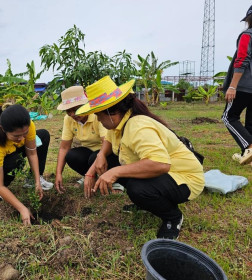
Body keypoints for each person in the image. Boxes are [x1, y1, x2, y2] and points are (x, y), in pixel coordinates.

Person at [76, 76, 205, 239]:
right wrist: (101, 155)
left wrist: (115, 172)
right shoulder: (120, 121)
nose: (98, 120)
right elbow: (109, 138)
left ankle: (172, 217)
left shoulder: (137, 127)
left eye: (99, 116)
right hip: (161, 171)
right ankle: (145, 203)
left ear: (110, 112)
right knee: (98, 160)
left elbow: (161, 164)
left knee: (138, 189)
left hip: (183, 177)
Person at [0, 104, 53, 225]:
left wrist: (36, 181)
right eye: (16, 136)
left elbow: (32, 153)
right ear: (3, 129)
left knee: (43, 135)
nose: (21, 138)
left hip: (12, 150)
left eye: (24, 134)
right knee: (16, 161)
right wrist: (22, 208)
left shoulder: (28, 126)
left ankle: (31, 180)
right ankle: (4, 186)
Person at [55, 86, 126, 193]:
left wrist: (91, 171)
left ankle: (114, 180)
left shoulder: (97, 115)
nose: (73, 114)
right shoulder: (68, 119)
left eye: (76, 109)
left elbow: (107, 144)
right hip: (91, 154)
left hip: (109, 153)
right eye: (68, 111)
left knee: (95, 157)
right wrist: (58, 173)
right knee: (71, 156)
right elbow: (64, 147)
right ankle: (92, 177)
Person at [221, 5, 252, 165]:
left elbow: (242, 60)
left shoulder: (247, 35)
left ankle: (249, 146)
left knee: (229, 117)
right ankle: (247, 155)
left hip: (244, 86)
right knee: (250, 123)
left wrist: (232, 86)